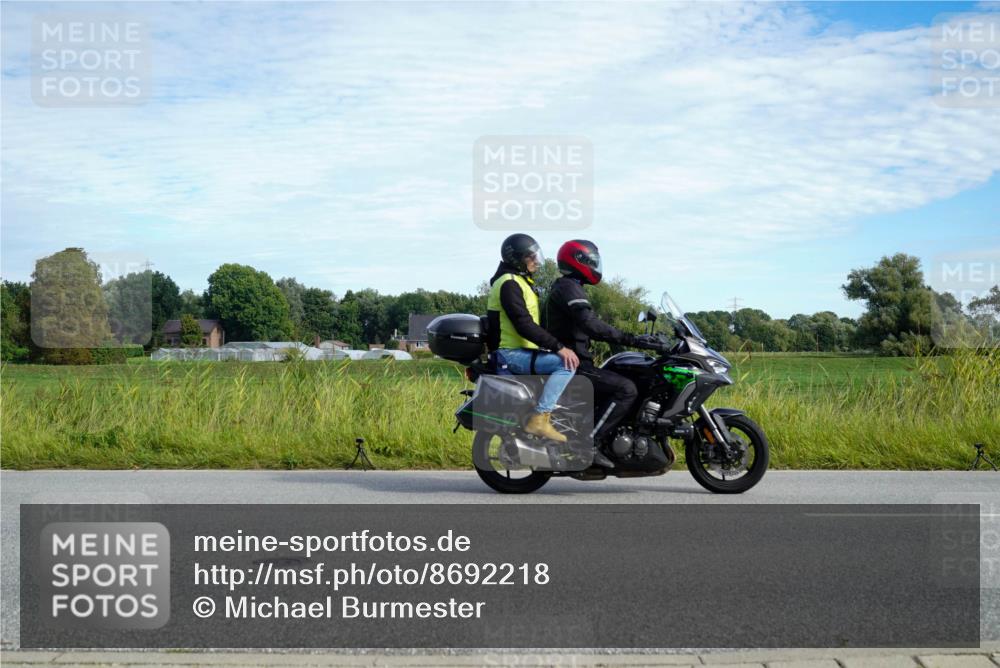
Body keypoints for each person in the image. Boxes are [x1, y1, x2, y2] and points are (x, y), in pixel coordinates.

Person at [544, 239, 646, 467]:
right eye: (592, 261)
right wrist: (633, 339)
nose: (595, 265)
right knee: (626, 389)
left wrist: (624, 344)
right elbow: (591, 324)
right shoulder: (569, 287)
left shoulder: (568, 286)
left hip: (575, 363)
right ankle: (588, 444)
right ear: (579, 260)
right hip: (575, 366)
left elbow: (589, 327)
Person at [487, 233, 580, 443]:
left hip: (520, 351)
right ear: (517, 259)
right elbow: (523, 324)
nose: (537, 261)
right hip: (509, 353)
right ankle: (540, 418)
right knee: (566, 364)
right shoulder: (509, 283)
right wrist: (559, 348)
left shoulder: (519, 282)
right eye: (531, 257)